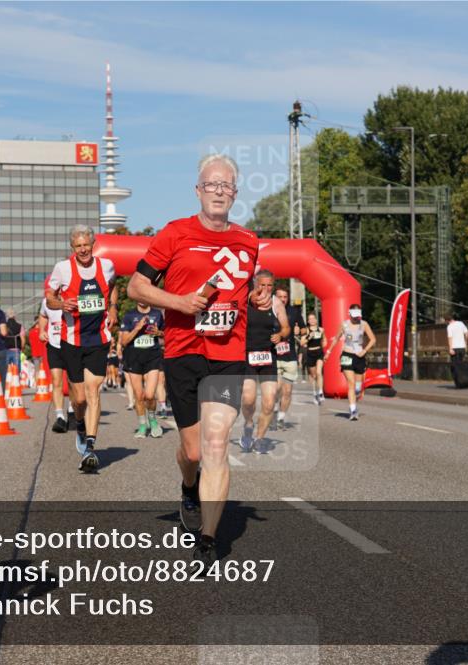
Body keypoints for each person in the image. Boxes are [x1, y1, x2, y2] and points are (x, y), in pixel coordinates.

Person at [127, 153, 267, 567]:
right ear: (198, 190)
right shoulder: (175, 234)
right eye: (212, 185)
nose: (219, 192)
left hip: (227, 355)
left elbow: (247, 289)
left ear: (235, 194)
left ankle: (208, 538)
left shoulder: (248, 240)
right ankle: (189, 487)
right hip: (184, 351)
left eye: (226, 186)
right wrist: (180, 302)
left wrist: (257, 296)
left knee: (216, 443)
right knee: (192, 452)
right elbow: (136, 286)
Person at [44, 225, 118, 473]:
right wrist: (61, 303)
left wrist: (114, 308)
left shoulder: (106, 266)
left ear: (93, 244)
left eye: (87, 244)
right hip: (71, 340)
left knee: (93, 391)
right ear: (72, 248)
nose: (83, 249)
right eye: (78, 246)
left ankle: (90, 447)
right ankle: (80, 424)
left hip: (98, 339)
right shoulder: (62, 269)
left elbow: (114, 284)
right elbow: (49, 297)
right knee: (79, 398)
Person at [239, 271, 290, 453]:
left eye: (269, 285)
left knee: (269, 402)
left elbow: (286, 327)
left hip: (268, 356)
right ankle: (248, 423)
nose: (266, 289)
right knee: (248, 400)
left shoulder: (276, 303)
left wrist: (280, 334)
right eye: (262, 285)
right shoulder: (245, 300)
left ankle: (259, 438)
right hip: (247, 356)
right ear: (255, 284)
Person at [121, 300, 166, 438]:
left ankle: (152, 420)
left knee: (150, 395)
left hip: (152, 356)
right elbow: (124, 341)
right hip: (134, 358)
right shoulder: (129, 316)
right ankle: (142, 425)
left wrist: (158, 332)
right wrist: (137, 327)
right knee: (139, 396)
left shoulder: (157, 314)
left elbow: (165, 334)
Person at [323, 304, 375, 421]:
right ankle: (352, 411)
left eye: (358, 315)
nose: (357, 318)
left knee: (357, 388)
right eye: (354, 315)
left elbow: (373, 339)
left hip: (360, 356)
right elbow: (336, 338)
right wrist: (328, 352)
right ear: (349, 314)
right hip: (347, 355)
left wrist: (365, 351)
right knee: (350, 383)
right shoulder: (344, 324)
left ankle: (354, 404)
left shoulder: (364, 324)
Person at [39, 293, 72, 433]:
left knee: (73, 381)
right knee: (56, 381)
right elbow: (43, 316)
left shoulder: (71, 298)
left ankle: (72, 409)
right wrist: (41, 330)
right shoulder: (47, 302)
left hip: (72, 345)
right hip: (54, 346)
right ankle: (60, 417)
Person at [272, 286, 303, 429]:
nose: (283, 299)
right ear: (275, 297)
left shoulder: (294, 311)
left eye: (285, 297)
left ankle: (281, 418)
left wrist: (300, 330)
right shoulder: (268, 309)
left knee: (288, 391)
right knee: (276, 388)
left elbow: (304, 329)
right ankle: (272, 411)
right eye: (280, 297)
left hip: (290, 356)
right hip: (274, 355)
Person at [300, 312, 327, 404]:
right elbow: (302, 343)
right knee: (314, 375)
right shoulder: (306, 331)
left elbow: (324, 340)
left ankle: (321, 392)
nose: (311, 320)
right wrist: (308, 337)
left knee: (319, 372)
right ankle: (315, 393)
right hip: (310, 352)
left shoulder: (321, 330)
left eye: (313, 318)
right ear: (308, 321)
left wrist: (325, 346)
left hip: (319, 352)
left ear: (316, 320)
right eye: (309, 319)